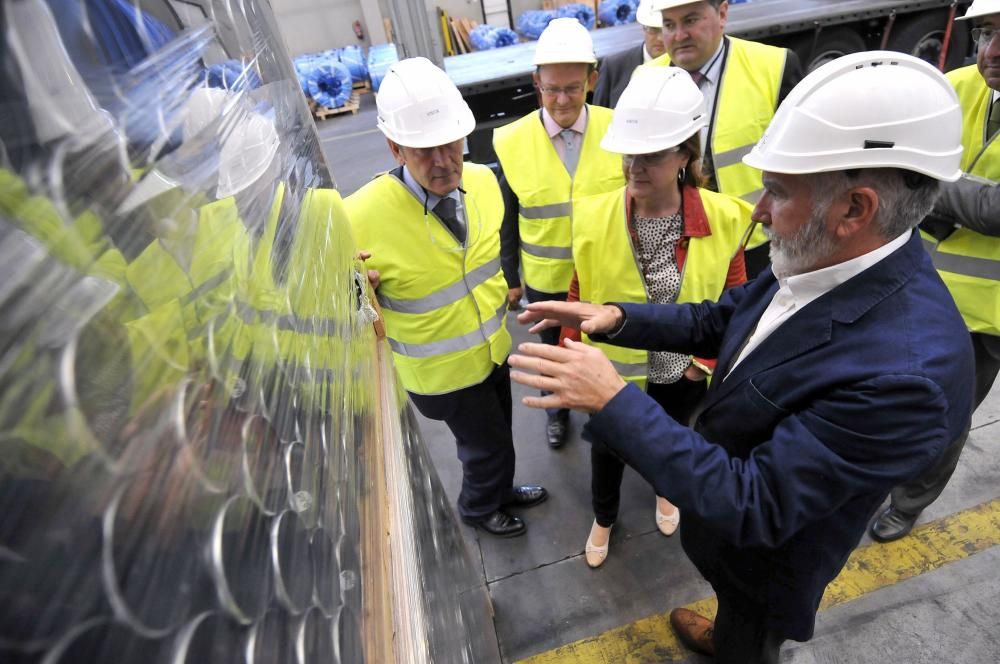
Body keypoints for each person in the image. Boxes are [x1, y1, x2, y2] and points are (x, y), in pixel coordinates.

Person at [508, 52, 974, 662]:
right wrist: (619, 318)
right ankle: (727, 628)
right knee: (735, 610)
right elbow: (726, 318)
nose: (756, 210)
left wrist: (614, 399)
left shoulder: (908, 377)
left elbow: (757, 504)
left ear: (854, 210)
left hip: (767, 563)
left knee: (751, 634)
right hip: (729, 540)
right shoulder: (824, 261)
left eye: (777, 192)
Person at [344, 57, 547, 538]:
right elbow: (344, 302)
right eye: (423, 151)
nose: (443, 162)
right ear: (396, 148)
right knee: (484, 447)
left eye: (450, 145)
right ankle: (479, 507)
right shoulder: (359, 217)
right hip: (441, 372)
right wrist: (357, 291)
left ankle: (500, 488)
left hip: (492, 348)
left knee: (499, 435)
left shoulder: (480, 182)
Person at [569, 67, 751, 567]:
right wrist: (572, 361)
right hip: (612, 373)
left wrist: (704, 367)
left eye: (651, 155)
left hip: (682, 372)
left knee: (671, 442)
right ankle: (604, 517)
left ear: (685, 156)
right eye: (630, 153)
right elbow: (579, 291)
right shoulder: (591, 214)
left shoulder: (725, 217)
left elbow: (736, 303)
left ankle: (665, 491)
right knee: (606, 451)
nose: (634, 166)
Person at [870, 0, 1000, 542]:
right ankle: (870, 473)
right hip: (914, 284)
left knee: (944, 419)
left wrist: (928, 176)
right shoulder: (955, 86)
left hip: (985, 317)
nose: (991, 52)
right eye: (987, 33)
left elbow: (996, 214)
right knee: (878, 391)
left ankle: (908, 501)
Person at [494, 17, 625, 448]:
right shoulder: (512, 141)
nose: (562, 99)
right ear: (537, 83)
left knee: (605, 347)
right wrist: (510, 277)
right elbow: (506, 216)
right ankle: (556, 410)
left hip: (605, 276)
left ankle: (611, 412)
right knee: (552, 351)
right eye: (552, 89)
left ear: (592, 80)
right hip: (546, 283)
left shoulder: (618, 130)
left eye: (572, 87)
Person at [643, 0, 802, 277]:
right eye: (669, 25)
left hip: (757, 242)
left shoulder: (773, 67)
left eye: (691, 20)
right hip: (679, 246)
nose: (679, 35)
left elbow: (801, 166)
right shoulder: (646, 79)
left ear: (723, 13)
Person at [592, 0, 666, 108]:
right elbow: (599, 112)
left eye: (665, 29)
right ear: (643, 28)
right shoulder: (614, 67)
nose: (660, 38)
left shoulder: (684, 66)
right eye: (653, 30)